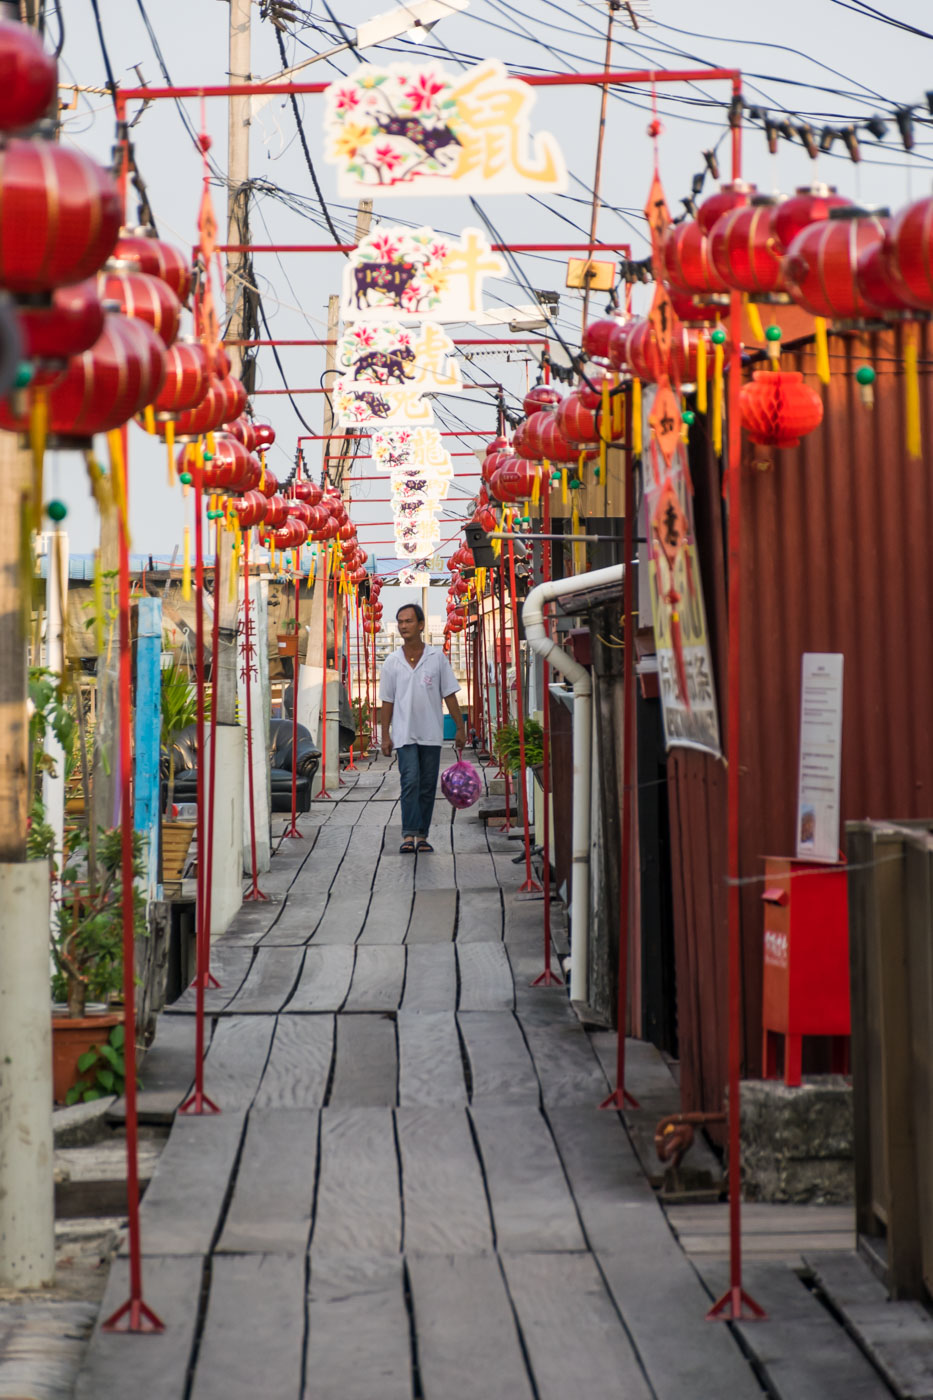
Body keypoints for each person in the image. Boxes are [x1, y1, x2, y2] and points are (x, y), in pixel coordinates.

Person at [380, 602, 466, 853]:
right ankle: (409, 834)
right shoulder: (392, 662)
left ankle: (422, 835)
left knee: (428, 784)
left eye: (408, 621)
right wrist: (385, 735)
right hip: (404, 734)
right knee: (410, 781)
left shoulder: (436, 658)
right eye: (400, 621)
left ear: (420, 625)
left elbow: (450, 695)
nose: (403, 626)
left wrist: (460, 728)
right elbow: (387, 702)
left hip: (431, 733)